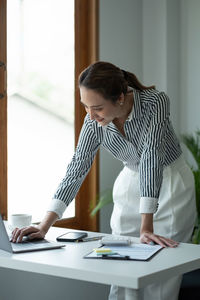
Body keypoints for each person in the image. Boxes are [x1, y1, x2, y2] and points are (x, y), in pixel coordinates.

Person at [11, 61, 196, 300]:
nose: (90, 115)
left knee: (158, 277)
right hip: (130, 181)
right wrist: (44, 224)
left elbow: (151, 156)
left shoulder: (155, 102)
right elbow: (78, 167)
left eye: (96, 107)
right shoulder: (93, 121)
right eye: (85, 106)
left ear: (120, 98)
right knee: (120, 267)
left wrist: (146, 225)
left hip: (170, 183)